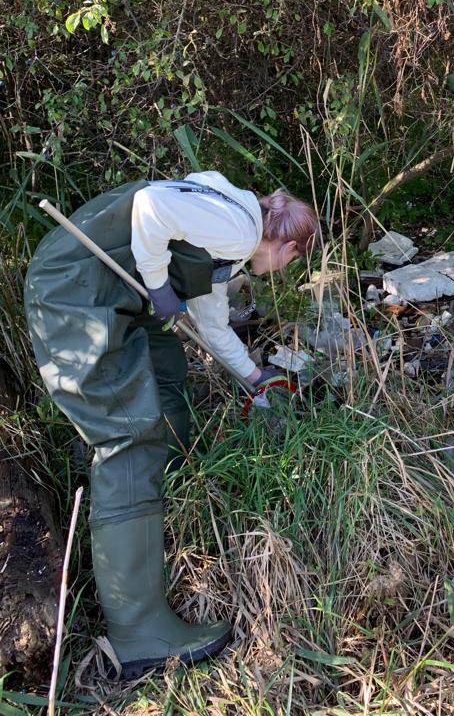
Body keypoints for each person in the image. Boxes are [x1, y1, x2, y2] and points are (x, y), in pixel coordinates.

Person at [24, 171, 319, 680]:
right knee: (127, 436)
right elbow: (153, 206)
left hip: (113, 292)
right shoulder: (240, 230)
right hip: (76, 291)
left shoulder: (228, 234)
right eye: (290, 262)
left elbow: (213, 326)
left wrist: (256, 377)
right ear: (288, 245)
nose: (280, 270)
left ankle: (162, 498)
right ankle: (139, 631)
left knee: (167, 378)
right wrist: (159, 285)